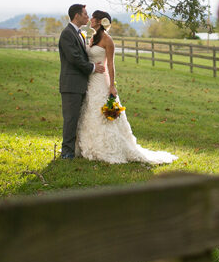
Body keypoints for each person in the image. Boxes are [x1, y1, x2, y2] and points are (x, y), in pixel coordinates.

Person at [75, 10, 176, 165]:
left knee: (102, 113)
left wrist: (112, 86)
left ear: (100, 21)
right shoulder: (93, 38)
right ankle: (88, 144)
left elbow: (110, 64)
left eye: (94, 18)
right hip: (91, 80)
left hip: (102, 80)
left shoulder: (107, 40)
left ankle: (107, 148)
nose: (91, 20)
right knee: (90, 111)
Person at [59, 4, 105, 159]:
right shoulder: (67, 34)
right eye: (85, 14)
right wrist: (92, 67)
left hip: (82, 84)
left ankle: (77, 149)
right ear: (77, 16)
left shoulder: (80, 34)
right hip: (71, 85)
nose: (87, 17)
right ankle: (66, 152)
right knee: (71, 119)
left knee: (79, 119)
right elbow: (74, 58)